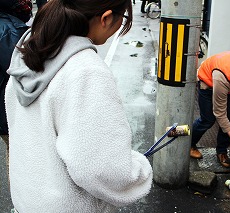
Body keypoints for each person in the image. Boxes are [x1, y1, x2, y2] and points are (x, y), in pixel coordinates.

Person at [5, 0, 153, 212]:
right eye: (124, 19)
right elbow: (102, 170)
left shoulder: (29, 50)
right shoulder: (86, 71)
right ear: (106, 18)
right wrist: (139, 170)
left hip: (28, 201)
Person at [0, 0, 32, 178]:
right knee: (21, 160)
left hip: (5, 113)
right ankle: (20, 202)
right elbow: (26, 73)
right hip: (9, 112)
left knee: (13, 153)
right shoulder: (10, 32)